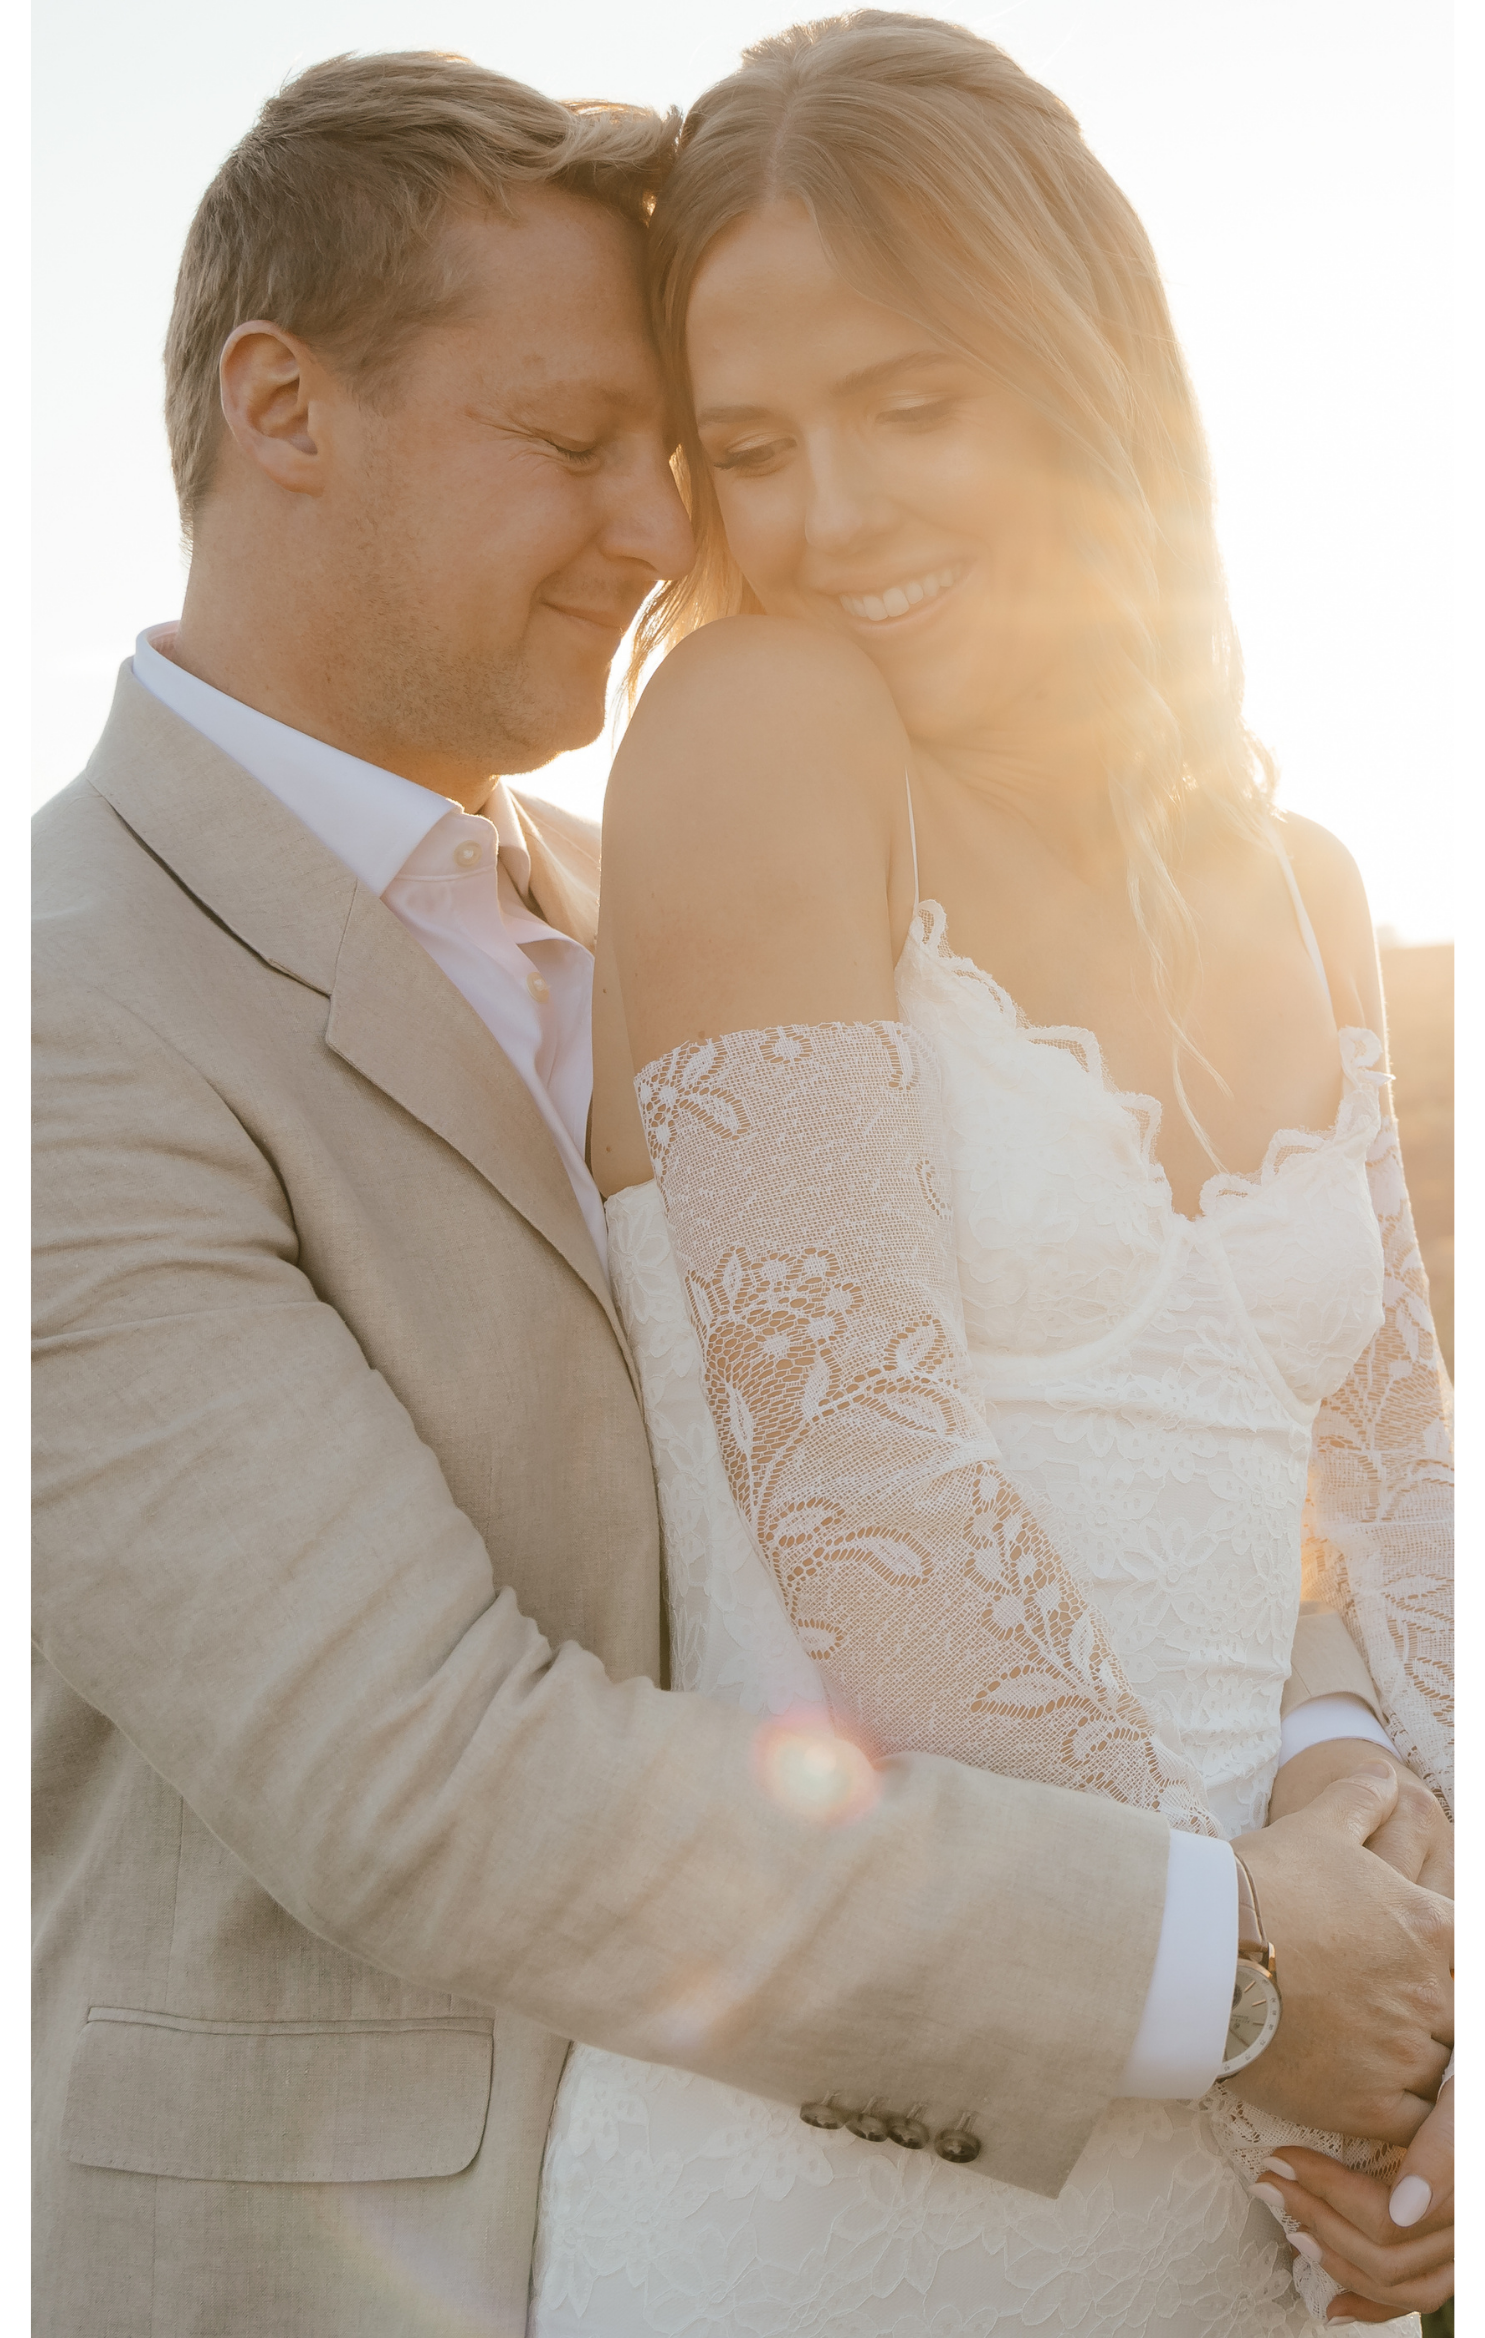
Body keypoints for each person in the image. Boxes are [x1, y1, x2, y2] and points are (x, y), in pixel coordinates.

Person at [32, 45, 1445, 2338]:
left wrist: (1386, 1896)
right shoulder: (59, 1022)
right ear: (280, 409)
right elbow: (427, 1773)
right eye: (597, 445)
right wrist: (1250, 1975)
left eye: (663, 455)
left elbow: (1243, 1468)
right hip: (386, 2260)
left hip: (1136, 2160)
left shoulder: (655, 891)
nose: (678, 530)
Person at [528, 16, 1454, 2335]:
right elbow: (868, 1496)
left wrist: (1431, 1972)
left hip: (1290, 2215)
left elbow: (1375, 1518)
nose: (831, 521)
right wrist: (1286, 2039)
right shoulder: (757, 732)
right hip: (854, 2196)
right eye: (754, 448)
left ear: (1084, 370)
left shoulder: (1312, 882)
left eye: (906, 405)